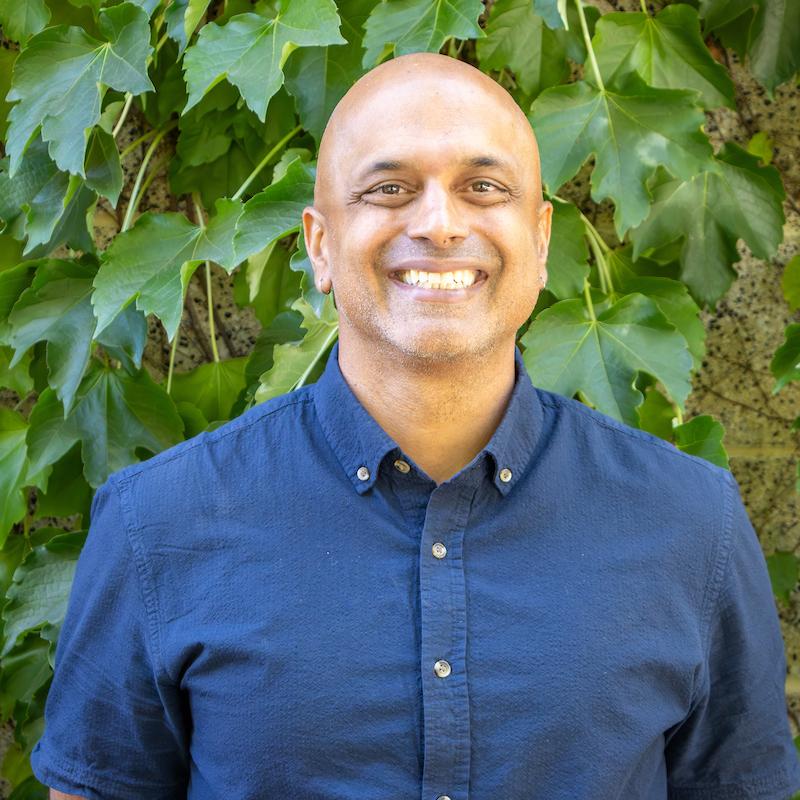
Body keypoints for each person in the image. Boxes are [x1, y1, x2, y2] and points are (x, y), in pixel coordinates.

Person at [32, 52, 800, 800]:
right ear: (320, 244)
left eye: (483, 187)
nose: (438, 223)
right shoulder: (158, 523)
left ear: (540, 241)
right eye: (390, 189)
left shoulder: (691, 521)